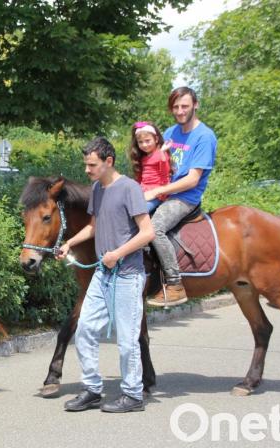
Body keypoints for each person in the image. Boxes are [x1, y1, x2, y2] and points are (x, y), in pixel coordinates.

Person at [56, 137, 155, 414]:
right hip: (103, 273)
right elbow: (94, 227)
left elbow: (147, 232)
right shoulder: (98, 189)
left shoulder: (129, 188)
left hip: (127, 275)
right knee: (85, 329)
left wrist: (118, 253)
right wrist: (70, 243)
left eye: (92, 164)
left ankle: (133, 395)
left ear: (108, 162)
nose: (87, 170)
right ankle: (92, 390)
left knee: (126, 340)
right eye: (86, 164)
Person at [144, 87, 218, 307]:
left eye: (184, 106)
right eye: (175, 107)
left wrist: (158, 190)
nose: (180, 110)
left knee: (154, 228)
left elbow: (193, 179)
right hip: (163, 191)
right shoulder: (169, 133)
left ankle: (175, 285)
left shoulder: (205, 136)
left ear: (195, 105)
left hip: (185, 197)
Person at [128, 121, 172, 213]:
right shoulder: (143, 158)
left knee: (140, 210)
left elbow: (165, 173)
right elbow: (140, 178)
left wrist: (162, 152)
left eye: (147, 141)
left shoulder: (161, 154)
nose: (144, 145)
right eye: (140, 142)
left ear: (156, 139)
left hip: (156, 192)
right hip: (144, 190)